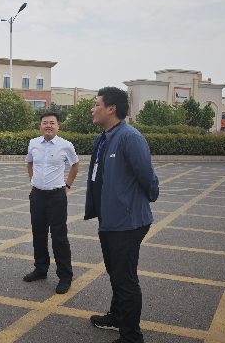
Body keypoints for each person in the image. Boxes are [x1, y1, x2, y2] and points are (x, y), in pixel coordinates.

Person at [85, 87, 159, 343]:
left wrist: (138, 201)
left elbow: (147, 177)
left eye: (96, 104)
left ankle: (131, 336)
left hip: (127, 222)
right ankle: (117, 316)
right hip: (109, 219)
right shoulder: (103, 138)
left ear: (111, 108)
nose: (93, 109)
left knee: (125, 279)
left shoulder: (130, 137)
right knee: (115, 273)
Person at [24, 111, 79, 294]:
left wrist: (67, 185)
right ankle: (40, 269)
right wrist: (33, 181)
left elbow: (75, 164)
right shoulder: (33, 143)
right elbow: (29, 162)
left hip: (57, 197)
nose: (48, 125)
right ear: (40, 126)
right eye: (45, 122)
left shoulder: (66, 145)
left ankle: (65, 277)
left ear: (58, 126)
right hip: (37, 196)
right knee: (38, 234)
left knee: (59, 237)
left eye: (52, 123)